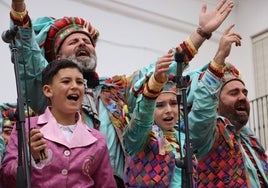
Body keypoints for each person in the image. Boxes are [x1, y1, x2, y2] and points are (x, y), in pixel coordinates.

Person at [8, 0, 234, 186]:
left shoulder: (116, 88)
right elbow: (27, 54)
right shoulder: (47, 92)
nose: (82, 43)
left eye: (87, 41)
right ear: (56, 59)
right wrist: (18, 6)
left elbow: (162, 68)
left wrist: (202, 33)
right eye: (73, 41)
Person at [0, 59, 117, 187]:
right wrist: (29, 156)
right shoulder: (26, 128)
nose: (75, 86)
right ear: (48, 91)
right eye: (66, 81)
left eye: (79, 82)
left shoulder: (97, 140)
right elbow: (6, 179)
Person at [186, 24, 268, 187]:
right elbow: (203, 111)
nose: (242, 97)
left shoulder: (250, 139)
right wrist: (220, 57)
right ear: (215, 103)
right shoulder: (207, 136)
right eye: (234, 93)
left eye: (244, 93)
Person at [123, 48, 198, 187]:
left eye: (174, 103)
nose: (169, 110)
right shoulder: (140, 138)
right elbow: (143, 118)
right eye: (160, 105)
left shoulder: (183, 138)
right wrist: (155, 83)